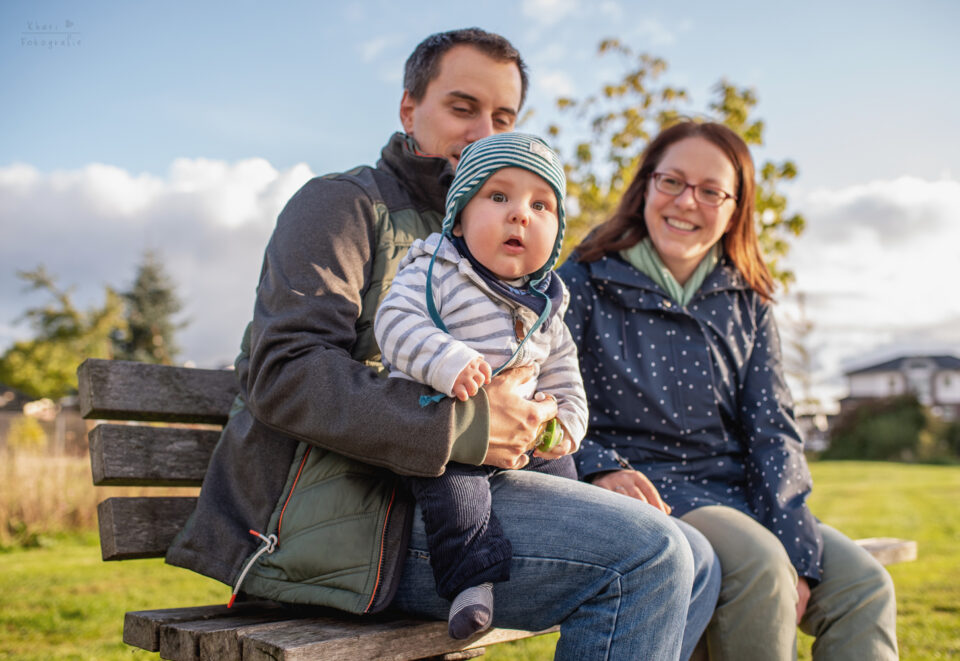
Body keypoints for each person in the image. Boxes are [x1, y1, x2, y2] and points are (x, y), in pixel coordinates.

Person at [165, 29, 719, 660]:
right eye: (463, 108)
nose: (484, 130)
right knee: (648, 557)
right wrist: (463, 425)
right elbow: (285, 373)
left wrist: (578, 452)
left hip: (477, 497)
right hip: (352, 525)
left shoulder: (503, 235)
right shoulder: (344, 206)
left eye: (503, 116)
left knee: (697, 554)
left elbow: (547, 369)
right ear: (409, 109)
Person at [557, 120, 899, 660]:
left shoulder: (748, 302)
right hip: (650, 488)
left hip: (737, 491)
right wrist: (600, 465)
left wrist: (799, 552)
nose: (687, 202)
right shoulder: (581, 280)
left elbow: (773, 432)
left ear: (735, 207)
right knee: (762, 565)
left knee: (864, 585)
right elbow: (543, 400)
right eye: (672, 181)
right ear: (646, 185)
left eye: (711, 191)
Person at [375, 131, 588, 639]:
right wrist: (448, 360)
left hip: (523, 435)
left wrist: (565, 422)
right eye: (498, 197)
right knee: (457, 494)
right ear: (459, 216)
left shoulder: (547, 304)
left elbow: (563, 371)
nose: (521, 215)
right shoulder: (437, 271)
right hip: (448, 428)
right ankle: (472, 586)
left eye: (541, 206)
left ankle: (574, 558)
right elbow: (395, 322)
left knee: (567, 479)